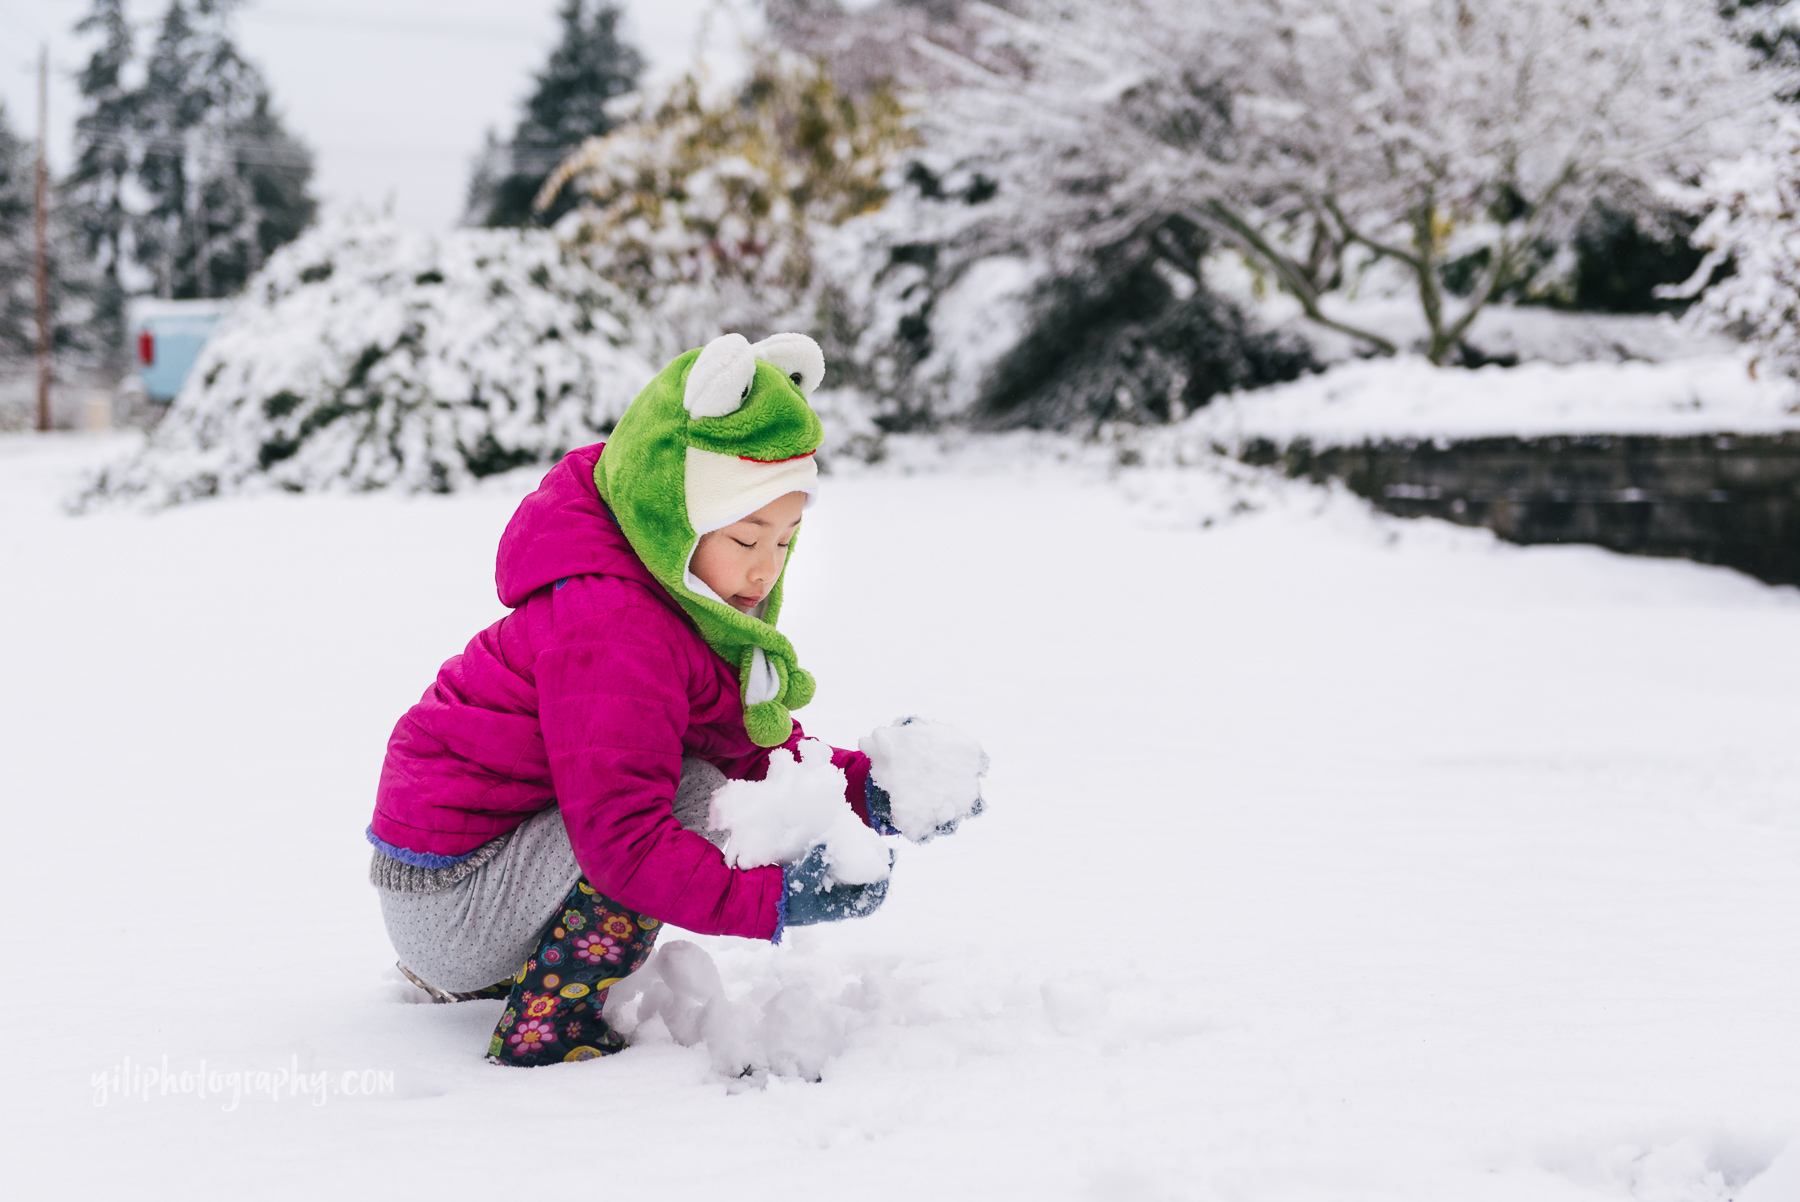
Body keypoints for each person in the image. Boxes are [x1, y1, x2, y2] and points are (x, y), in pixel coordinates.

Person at [366, 332, 932, 1067]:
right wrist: (775, 897)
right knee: (682, 803)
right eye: (745, 537)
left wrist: (873, 792)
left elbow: (744, 744)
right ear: (678, 516)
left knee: (696, 779)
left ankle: (522, 975)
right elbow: (623, 843)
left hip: (479, 879)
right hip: (451, 906)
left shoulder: (670, 596)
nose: (765, 571)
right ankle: (548, 1026)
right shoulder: (615, 628)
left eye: (786, 541)